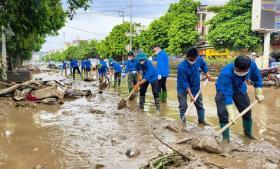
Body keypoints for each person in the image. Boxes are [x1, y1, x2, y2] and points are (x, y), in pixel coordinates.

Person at [215, 56, 264, 143]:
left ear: (248, 68)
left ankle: (248, 134)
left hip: (239, 88)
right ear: (235, 66)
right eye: (238, 70)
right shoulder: (226, 73)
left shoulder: (252, 65)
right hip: (223, 90)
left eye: (243, 71)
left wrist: (258, 92)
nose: (240, 72)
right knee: (223, 114)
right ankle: (226, 139)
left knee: (247, 112)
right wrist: (231, 113)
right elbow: (227, 94)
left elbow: (257, 79)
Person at [177, 47, 210, 127]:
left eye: (196, 58)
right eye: (193, 58)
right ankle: (183, 123)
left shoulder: (198, 59)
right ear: (188, 57)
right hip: (183, 87)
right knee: (183, 105)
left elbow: (204, 65)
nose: (195, 60)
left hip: (195, 86)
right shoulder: (182, 67)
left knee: (199, 104)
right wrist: (191, 95)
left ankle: (201, 121)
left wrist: (206, 73)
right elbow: (184, 83)